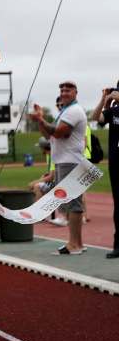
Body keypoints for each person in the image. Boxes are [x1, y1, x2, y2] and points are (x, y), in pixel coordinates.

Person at [30, 81, 87, 255]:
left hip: (70, 160)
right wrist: (41, 122)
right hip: (66, 160)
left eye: (68, 89)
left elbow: (60, 132)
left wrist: (40, 119)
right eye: (62, 89)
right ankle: (77, 243)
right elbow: (49, 135)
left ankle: (74, 245)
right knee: (71, 202)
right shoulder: (65, 111)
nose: (64, 92)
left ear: (76, 92)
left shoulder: (74, 111)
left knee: (73, 203)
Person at [91, 83, 119, 259]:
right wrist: (104, 99)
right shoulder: (114, 110)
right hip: (116, 162)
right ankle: (118, 244)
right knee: (118, 205)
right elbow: (96, 118)